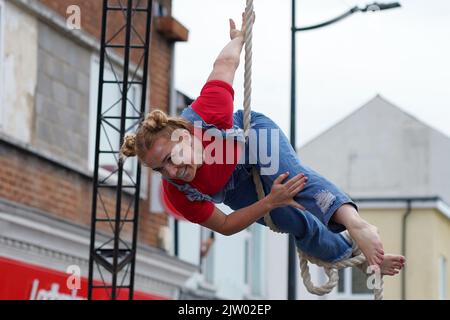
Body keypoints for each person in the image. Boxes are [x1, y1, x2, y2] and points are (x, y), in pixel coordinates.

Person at [120, 14, 405, 276]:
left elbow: (225, 65)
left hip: (252, 139)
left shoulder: (208, 114)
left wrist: (238, 38)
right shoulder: (178, 193)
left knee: (292, 182)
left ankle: (357, 225)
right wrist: (270, 202)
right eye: (160, 169)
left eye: (170, 158)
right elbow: (225, 225)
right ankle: (355, 257)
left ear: (183, 136)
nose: (170, 171)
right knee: (292, 221)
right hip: (237, 189)